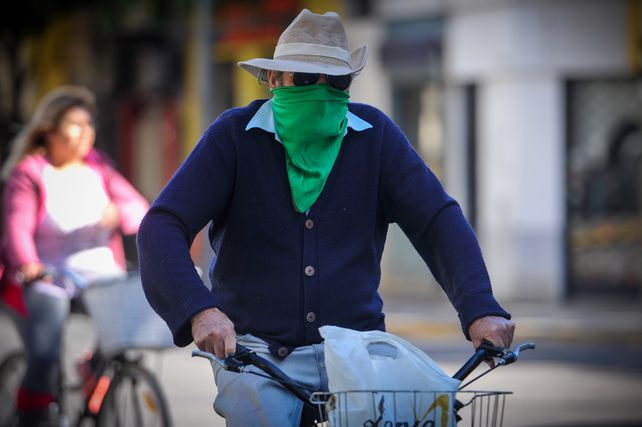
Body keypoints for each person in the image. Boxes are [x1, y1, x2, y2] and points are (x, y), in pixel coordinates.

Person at [137, 9, 515, 427]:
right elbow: (162, 225)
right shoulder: (234, 137)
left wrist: (480, 308)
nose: (321, 91)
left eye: (336, 82)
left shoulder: (375, 136)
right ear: (275, 79)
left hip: (357, 352)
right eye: (303, 79)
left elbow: (437, 220)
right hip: (256, 356)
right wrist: (199, 310)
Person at [0, 85, 149, 426]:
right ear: (50, 130)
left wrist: (119, 215)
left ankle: (92, 371)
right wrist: (29, 265)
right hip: (48, 276)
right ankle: (32, 417)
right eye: (75, 124)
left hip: (98, 273)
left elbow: (139, 208)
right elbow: (16, 229)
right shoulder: (31, 172)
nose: (86, 132)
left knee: (121, 334)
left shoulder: (98, 167)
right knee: (45, 351)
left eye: (89, 124)